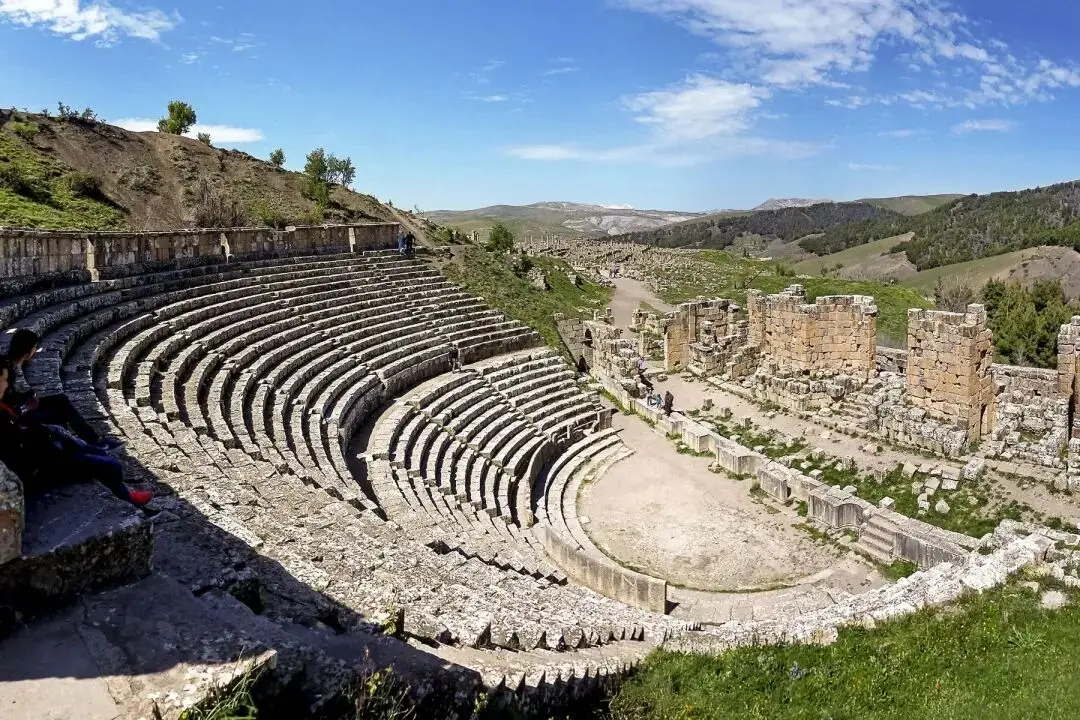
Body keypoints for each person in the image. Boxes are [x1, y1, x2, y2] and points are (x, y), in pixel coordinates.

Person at [0, 361, 152, 507]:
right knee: (112, 466)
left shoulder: (4, 406)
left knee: (94, 450)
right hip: (40, 467)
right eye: (4, 380)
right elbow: (21, 451)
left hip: (41, 452)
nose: (7, 384)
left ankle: (127, 495)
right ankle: (130, 503)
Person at [3, 328, 124, 453]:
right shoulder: (12, 369)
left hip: (22, 409)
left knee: (60, 401)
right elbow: (18, 400)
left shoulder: (12, 364)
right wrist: (30, 400)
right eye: (34, 347)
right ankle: (86, 445)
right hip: (18, 416)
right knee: (59, 411)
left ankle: (86, 443)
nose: (36, 351)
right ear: (27, 350)